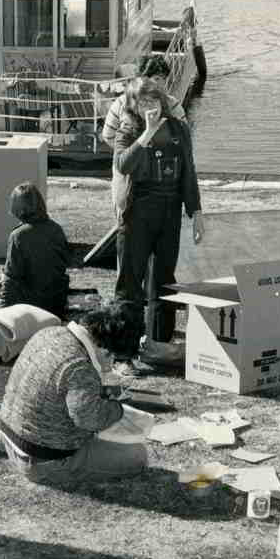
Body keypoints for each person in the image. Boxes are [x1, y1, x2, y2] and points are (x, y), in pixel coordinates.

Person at [0, 300, 149, 486]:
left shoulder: (48, 332)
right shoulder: (80, 367)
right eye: (113, 357)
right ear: (104, 348)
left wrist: (95, 393)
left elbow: (55, 386)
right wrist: (117, 409)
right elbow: (89, 419)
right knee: (138, 456)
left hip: (10, 437)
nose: (110, 366)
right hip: (42, 461)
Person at [111, 76, 204, 376]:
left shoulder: (178, 129)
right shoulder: (128, 130)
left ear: (162, 101)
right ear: (134, 106)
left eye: (154, 101)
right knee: (130, 282)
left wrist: (196, 212)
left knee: (164, 280)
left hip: (169, 211)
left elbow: (188, 172)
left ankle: (159, 344)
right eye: (143, 102)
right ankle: (122, 354)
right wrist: (147, 133)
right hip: (137, 213)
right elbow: (123, 164)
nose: (150, 107)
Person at [0, 182, 71, 319]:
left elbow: (11, 279)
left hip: (33, 305)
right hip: (57, 301)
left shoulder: (19, 235)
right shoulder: (56, 229)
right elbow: (62, 264)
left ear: (18, 207)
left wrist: (3, 314)